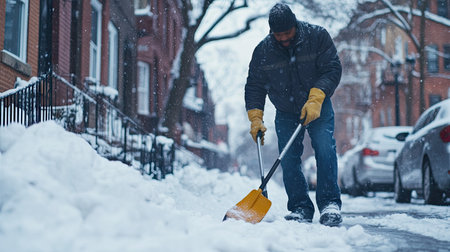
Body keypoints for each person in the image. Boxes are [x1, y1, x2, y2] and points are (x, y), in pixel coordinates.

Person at [244, 2, 342, 226]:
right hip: (286, 110)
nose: (284, 39)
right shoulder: (263, 51)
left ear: (295, 25)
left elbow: (332, 68)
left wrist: (316, 97)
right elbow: (255, 86)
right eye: (279, 35)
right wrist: (256, 118)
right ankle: (300, 207)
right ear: (272, 32)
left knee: (325, 147)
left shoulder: (317, 37)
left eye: (288, 33)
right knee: (288, 158)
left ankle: (329, 204)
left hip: (317, 104)